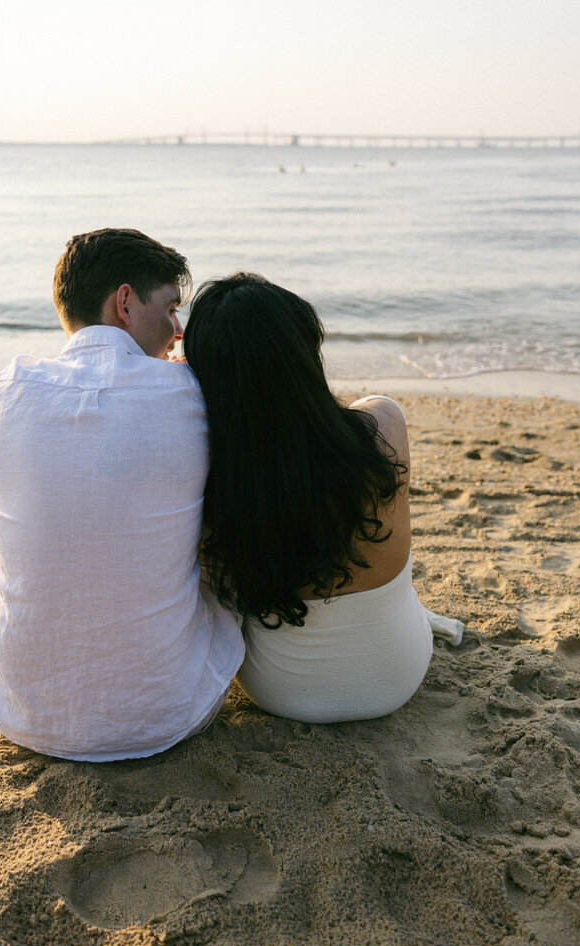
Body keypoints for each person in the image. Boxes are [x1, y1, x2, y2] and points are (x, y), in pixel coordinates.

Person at [0, 228, 244, 761]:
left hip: (19, 710)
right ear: (124, 302)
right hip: (169, 713)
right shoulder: (189, 395)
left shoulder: (7, 390)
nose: (177, 330)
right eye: (168, 309)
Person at [182, 272, 434, 723]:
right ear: (304, 355)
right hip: (400, 672)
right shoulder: (383, 424)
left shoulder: (212, 472)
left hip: (282, 690)